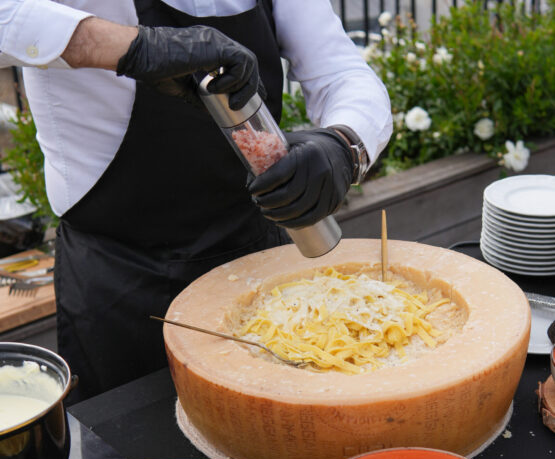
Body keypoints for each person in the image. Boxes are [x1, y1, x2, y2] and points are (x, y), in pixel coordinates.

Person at [0, 1, 392, 402]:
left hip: (259, 267)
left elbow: (339, 70)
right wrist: (133, 47)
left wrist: (345, 146)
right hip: (121, 288)